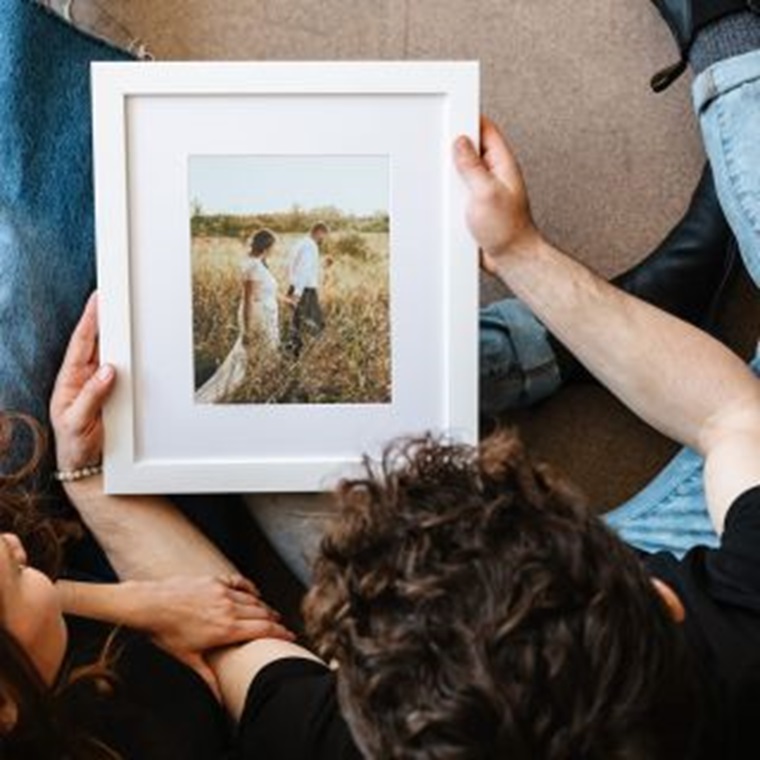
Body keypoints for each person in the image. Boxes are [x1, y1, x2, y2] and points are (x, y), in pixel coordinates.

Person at [196, 229, 281, 404]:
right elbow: (248, 299)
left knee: (263, 355)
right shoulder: (253, 267)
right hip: (258, 318)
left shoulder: (260, 263)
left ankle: (257, 388)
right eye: (273, 246)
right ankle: (238, 392)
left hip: (267, 316)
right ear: (266, 247)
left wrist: (287, 301)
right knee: (253, 356)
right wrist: (247, 331)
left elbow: (269, 291)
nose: (275, 249)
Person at [286, 222, 329, 356]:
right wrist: (298, 293)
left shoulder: (301, 243)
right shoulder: (311, 246)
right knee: (315, 325)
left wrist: (293, 289)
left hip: (296, 286)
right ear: (319, 232)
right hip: (305, 290)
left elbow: (294, 266)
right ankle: (299, 355)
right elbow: (303, 270)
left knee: (298, 322)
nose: (323, 239)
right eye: (324, 236)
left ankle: (293, 353)